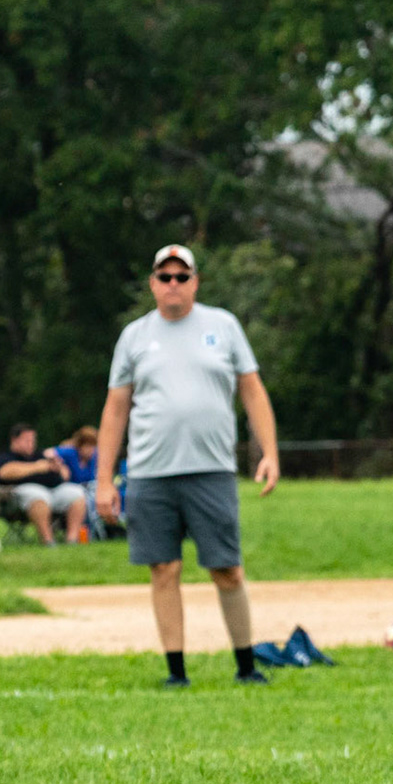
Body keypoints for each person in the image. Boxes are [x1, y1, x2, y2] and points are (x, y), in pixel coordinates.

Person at [96, 245, 279, 687]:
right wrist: (104, 480)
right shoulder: (135, 336)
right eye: (165, 277)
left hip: (211, 469)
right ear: (153, 284)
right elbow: (116, 408)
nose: (173, 284)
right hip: (149, 472)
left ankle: (246, 666)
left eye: (182, 277)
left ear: (195, 282)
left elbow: (252, 391)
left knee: (226, 568)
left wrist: (269, 451)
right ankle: (176, 672)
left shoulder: (223, 326)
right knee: (164, 569)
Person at [0, 424, 88, 546]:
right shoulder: (4, 456)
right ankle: (48, 541)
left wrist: (59, 468)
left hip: (52, 492)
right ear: (14, 440)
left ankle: (72, 540)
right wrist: (38, 467)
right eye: (27, 440)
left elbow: (66, 474)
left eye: (33, 440)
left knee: (76, 492)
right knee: (36, 495)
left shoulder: (41, 454)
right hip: (18, 498)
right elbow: (3, 473)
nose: (31, 443)